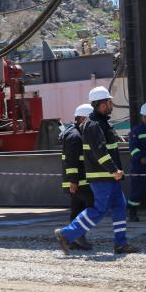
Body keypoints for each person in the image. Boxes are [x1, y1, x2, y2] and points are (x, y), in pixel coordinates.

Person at [55, 86, 140, 255]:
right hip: (102, 177)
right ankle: (66, 234)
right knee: (99, 209)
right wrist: (114, 170)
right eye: (110, 102)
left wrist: (115, 172)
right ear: (102, 104)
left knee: (119, 206)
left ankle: (120, 243)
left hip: (109, 177)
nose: (112, 105)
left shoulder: (102, 123)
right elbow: (100, 152)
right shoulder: (93, 125)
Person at [59, 103, 94, 250]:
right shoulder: (75, 136)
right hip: (78, 182)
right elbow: (71, 160)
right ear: (82, 118)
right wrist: (73, 181)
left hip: (78, 181)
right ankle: (76, 236)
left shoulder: (78, 133)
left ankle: (72, 239)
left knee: (77, 209)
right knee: (91, 207)